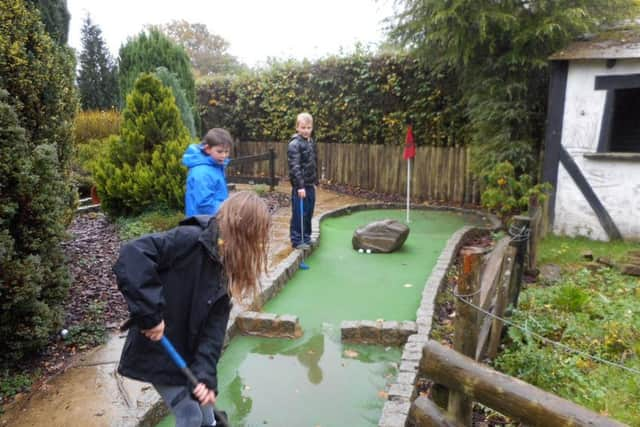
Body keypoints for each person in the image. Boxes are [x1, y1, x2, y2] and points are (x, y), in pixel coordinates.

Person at [114, 191, 270, 427]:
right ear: (242, 231)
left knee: (208, 416)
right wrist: (150, 315)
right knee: (191, 417)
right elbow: (132, 255)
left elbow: (213, 333)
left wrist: (206, 376)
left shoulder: (227, 270)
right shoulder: (189, 240)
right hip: (158, 348)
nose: (257, 245)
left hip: (187, 354)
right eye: (256, 238)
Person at [182, 128, 232, 217]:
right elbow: (205, 204)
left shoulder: (215, 166)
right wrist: (228, 210)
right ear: (208, 149)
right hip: (202, 224)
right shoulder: (202, 173)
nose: (224, 155)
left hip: (212, 218)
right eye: (219, 151)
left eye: (226, 151)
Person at [287, 112, 318, 249]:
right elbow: (295, 167)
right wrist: (300, 186)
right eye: (303, 127)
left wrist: (315, 182)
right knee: (299, 213)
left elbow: (312, 164)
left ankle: (306, 236)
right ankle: (297, 240)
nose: (306, 130)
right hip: (300, 186)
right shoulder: (294, 144)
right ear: (297, 128)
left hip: (310, 184)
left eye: (309, 127)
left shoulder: (311, 142)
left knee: (309, 211)